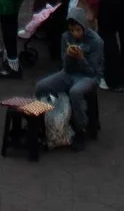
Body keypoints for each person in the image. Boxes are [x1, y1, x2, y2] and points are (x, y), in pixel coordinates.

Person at [34, 9, 104, 140]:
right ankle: (41, 123)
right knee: (41, 86)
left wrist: (81, 58)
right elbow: (65, 68)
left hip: (88, 76)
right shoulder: (66, 37)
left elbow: (93, 71)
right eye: (72, 30)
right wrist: (68, 57)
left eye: (78, 30)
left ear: (84, 27)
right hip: (69, 73)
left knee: (75, 92)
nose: (75, 34)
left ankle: (81, 129)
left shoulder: (96, 41)